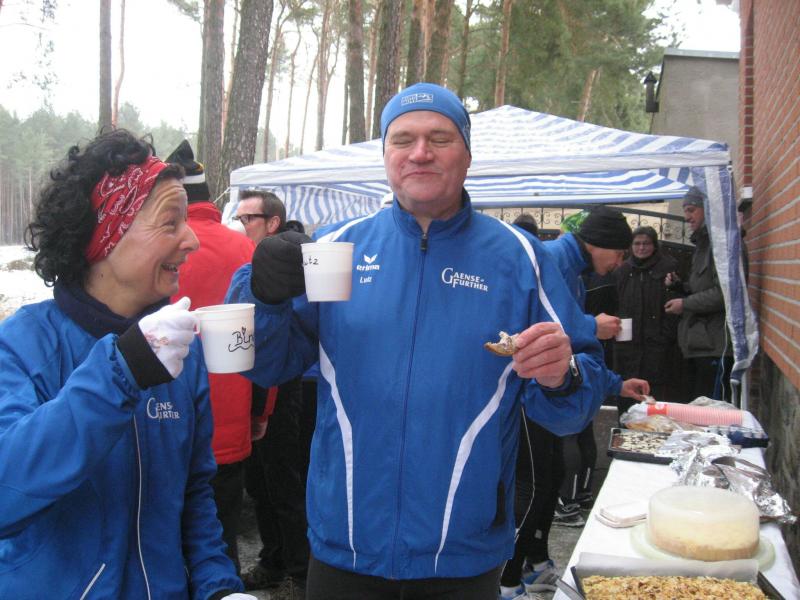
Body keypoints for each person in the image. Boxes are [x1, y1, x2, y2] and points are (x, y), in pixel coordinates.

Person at [226, 82, 623, 600]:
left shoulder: (520, 259)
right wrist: (263, 296)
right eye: (403, 139)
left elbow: (572, 406)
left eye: (439, 138)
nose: (419, 152)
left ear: (467, 155)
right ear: (385, 155)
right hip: (346, 545)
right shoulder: (337, 248)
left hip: (462, 555)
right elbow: (263, 365)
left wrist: (562, 375)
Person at [0, 130, 253, 599]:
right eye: (170, 222)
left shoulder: (179, 349)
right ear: (106, 236)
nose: (192, 240)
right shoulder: (23, 344)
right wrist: (121, 372)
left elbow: (194, 494)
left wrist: (218, 587)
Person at [167, 139, 260, 574]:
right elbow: (265, 339)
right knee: (221, 539)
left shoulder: (157, 248)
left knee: (166, 540)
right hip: (231, 414)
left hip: (167, 415)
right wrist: (261, 412)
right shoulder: (246, 249)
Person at [544, 207, 650, 527]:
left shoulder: (575, 272)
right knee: (535, 489)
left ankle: (564, 509)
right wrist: (591, 325)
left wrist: (617, 384)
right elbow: (537, 327)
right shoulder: (551, 260)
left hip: (555, 387)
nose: (619, 262)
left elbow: (578, 351)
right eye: (618, 253)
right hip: (535, 393)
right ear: (596, 243)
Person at [235, 189, 310, 596]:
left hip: (289, 385)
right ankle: (274, 560)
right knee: (261, 480)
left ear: (272, 222)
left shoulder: (298, 264)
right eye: (240, 218)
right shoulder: (249, 267)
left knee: (284, 478)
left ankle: (299, 570)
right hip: (257, 385)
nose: (242, 225)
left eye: (249, 218)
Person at [498, 212, 563, 598]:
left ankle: (532, 561)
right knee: (533, 484)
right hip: (524, 395)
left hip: (541, 391)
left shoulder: (549, 267)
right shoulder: (537, 263)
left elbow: (570, 342)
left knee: (548, 478)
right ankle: (507, 578)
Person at [665, 187, 735, 401]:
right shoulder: (704, 244)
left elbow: (725, 294)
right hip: (701, 344)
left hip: (716, 346)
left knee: (711, 410)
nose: (687, 216)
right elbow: (703, 288)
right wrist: (680, 287)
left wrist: (684, 304)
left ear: (708, 209)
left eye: (691, 209)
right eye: (685, 210)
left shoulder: (722, 245)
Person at [614, 225, 679, 412]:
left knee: (654, 402)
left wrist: (665, 335)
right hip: (627, 346)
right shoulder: (623, 270)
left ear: (654, 245)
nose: (641, 248)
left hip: (657, 348)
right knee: (627, 400)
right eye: (637, 243)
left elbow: (674, 303)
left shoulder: (668, 268)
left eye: (646, 243)